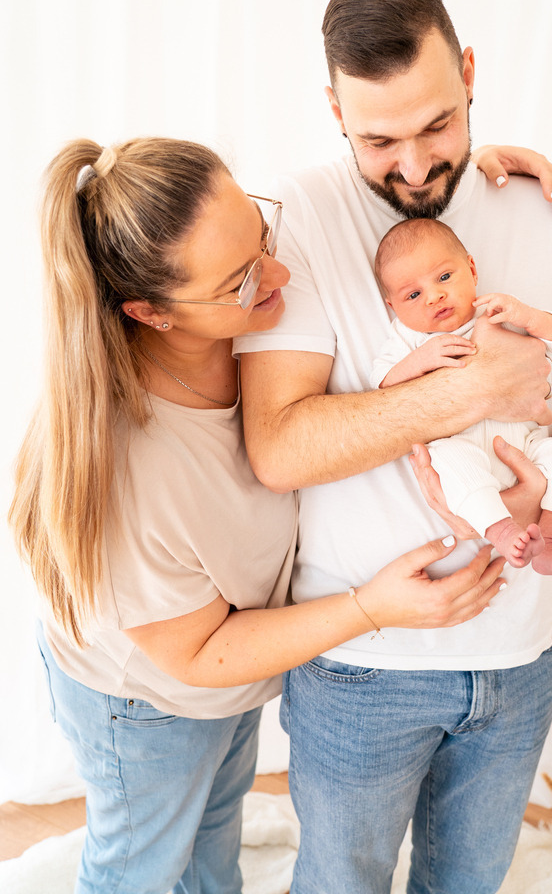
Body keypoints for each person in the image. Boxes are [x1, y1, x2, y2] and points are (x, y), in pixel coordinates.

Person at [9, 136, 514, 894]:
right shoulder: (129, 473)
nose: (279, 275)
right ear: (149, 313)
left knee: (214, 849)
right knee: (138, 866)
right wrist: (371, 607)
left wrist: (475, 177)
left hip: (228, 683)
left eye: (264, 236)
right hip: (143, 704)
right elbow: (199, 657)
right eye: (243, 281)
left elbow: (364, 206)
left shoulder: (245, 330)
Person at [235, 0, 552, 894]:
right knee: (341, 881)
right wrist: (465, 393)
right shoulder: (298, 220)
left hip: (521, 657)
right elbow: (278, 446)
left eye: (438, 126)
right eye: (379, 139)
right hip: (362, 671)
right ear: (333, 107)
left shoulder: (544, 206)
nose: (413, 166)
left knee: (470, 881)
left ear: (471, 74)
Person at [371, 217, 552, 576]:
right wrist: (420, 359)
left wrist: (529, 316)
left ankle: (551, 544)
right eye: (413, 295)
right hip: (464, 450)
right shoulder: (408, 339)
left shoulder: (496, 311)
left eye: (444, 277)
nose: (434, 296)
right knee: (452, 466)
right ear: (392, 307)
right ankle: (504, 532)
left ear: (471, 269)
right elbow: (381, 386)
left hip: (526, 446)